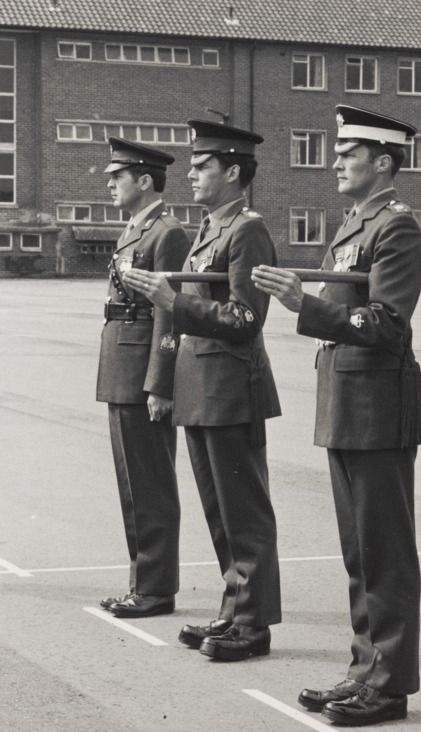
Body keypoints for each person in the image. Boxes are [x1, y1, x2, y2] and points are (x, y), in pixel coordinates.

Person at [252, 106, 421, 725]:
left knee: (384, 553)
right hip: (349, 404)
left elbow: (385, 323)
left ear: (382, 162)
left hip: (379, 407)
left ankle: (388, 685)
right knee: (360, 553)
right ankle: (364, 670)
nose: (334, 163)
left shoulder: (396, 228)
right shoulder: (354, 223)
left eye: (347, 154)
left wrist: (304, 304)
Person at [122, 120, 283, 662]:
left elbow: (244, 317)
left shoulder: (247, 230)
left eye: (201, 167)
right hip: (202, 385)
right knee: (220, 511)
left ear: (232, 172)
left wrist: (174, 301)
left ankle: (253, 624)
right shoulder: (211, 229)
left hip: (231, 386)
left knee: (244, 512)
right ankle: (234, 609)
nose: (189, 174)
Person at [96, 138, 189, 620]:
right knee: (133, 484)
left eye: (118, 177)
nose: (111, 184)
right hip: (121, 366)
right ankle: (143, 583)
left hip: (141, 373)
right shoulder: (133, 232)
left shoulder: (166, 233)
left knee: (150, 483)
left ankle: (155, 588)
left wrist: (160, 381)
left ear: (145, 181)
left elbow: (168, 314)